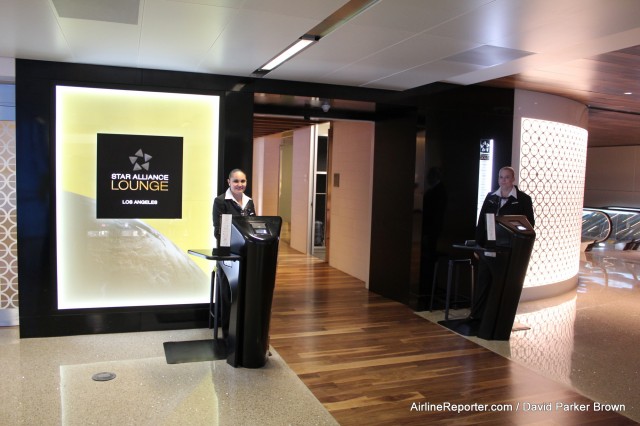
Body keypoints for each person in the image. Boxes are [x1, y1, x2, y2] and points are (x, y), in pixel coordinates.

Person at [471, 166, 534, 320]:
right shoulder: (491, 197)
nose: (503, 180)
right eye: (501, 177)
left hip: (508, 249)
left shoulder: (523, 199)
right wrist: (478, 246)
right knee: (484, 280)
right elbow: (481, 222)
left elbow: (529, 225)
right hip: (489, 246)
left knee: (503, 283)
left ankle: (498, 318)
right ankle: (477, 316)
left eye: (506, 177)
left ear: (513, 179)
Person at [212, 169, 256, 337]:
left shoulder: (249, 201)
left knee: (244, 292)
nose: (240, 184)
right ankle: (228, 333)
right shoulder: (221, 201)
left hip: (247, 253)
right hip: (228, 254)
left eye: (243, 181)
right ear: (228, 182)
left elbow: (253, 227)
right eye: (236, 181)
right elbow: (218, 230)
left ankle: (242, 330)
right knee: (227, 293)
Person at [419, 167, 447, 310]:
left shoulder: (436, 193)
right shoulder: (439, 191)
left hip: (433, 232)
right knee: (427, 258)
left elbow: (433, 215)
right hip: (433, 231)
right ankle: (428, 286)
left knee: (429, 258)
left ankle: (428, 287)